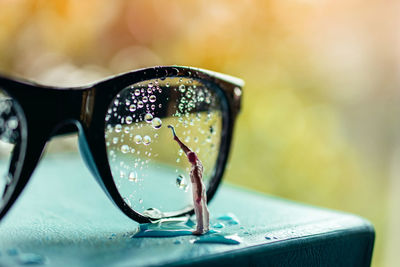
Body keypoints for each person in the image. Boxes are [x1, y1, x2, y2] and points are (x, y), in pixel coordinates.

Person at [168, 125, 209, 235]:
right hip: (202, 187)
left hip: (197, 188)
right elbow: (187, 150)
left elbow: (199, 183)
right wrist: (177, 140)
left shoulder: (195, 169)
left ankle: (200, 229)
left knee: (198, 208)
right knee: (205, 207)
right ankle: (207, 226)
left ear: (191, 160)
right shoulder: (198, 162)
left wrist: (198, 195)